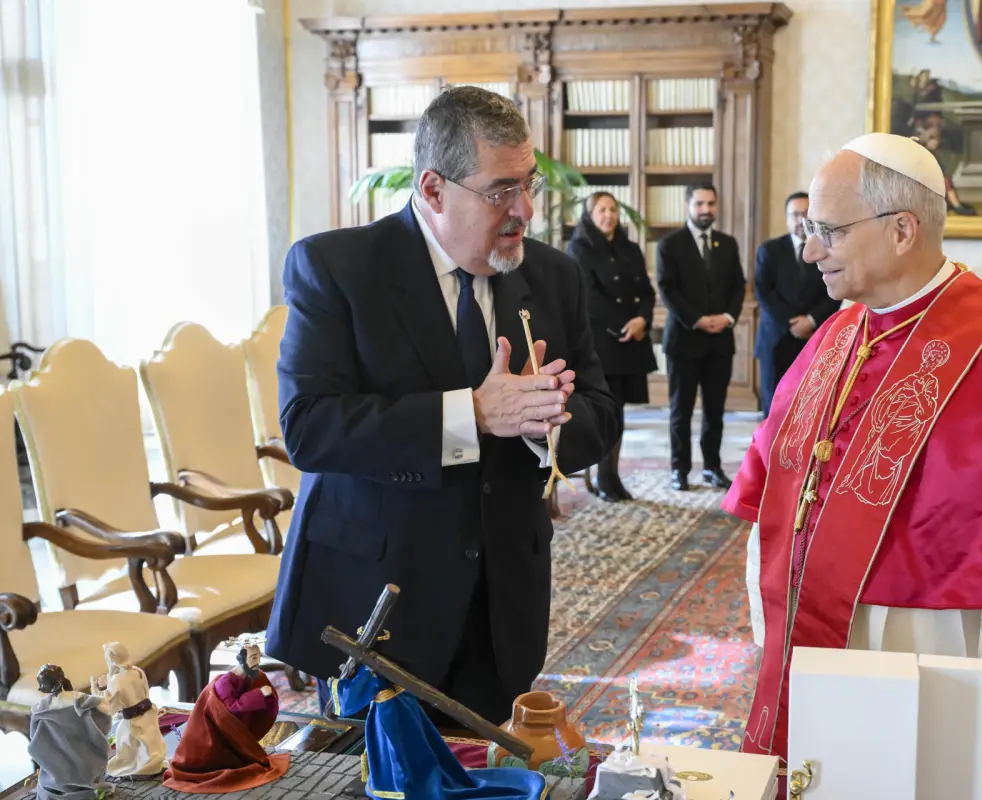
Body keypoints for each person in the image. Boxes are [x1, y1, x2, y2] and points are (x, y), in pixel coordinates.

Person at [722, 132, 982, 762]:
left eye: (829, 231)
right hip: (816, 643)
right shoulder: (835, 335)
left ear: (901, 230)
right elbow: (777, 487)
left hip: (928, 653)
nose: (810, 252)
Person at [266, 86, 618, 726]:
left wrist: (547, 422)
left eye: (529, 184)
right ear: (432, 190)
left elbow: (600, 415)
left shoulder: (554, 276)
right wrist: (473, 416)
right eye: (501, 191)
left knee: (486, 779)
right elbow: (309, 428)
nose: (526, 210)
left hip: (502, 601)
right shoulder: (337, 268)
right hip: (376, 607)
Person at [331, 667, 545, 799]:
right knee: (411, 748)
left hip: (390, 715)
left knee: (397, 753)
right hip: (399, 708)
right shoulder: (383, 666)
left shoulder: (371, 672)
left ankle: (404, 789)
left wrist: (339, 686)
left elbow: (348, 702)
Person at [566, 191, 657, 502]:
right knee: (605, 411)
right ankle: (605, 478)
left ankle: (613, 475)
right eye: (602, 210)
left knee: (619, 412)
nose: (609, 215)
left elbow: (646, 290)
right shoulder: (579, 247)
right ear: (590, 215)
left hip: (632, 340)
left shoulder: (630, 248)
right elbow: (590, 298)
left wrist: (642, 320)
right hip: (603, 342)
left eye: (613, 209)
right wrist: (625, 325)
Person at [656, 183, 745, 491]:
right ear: (688, 206)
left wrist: (728, 318)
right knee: (680, 411)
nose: (706, 210)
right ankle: (679, 469)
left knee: (715, 411)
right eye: (700, 204)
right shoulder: (669, 245)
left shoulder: (728, 244)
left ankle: (712, 467)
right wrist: (696, 320)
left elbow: (738, 286)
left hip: (720, 341)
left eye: (711, 204)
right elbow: (667, 289)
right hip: (683, 341)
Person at [753, 191, 840, 417]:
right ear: (786, 218)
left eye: (806, 214)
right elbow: (763, 291)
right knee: (774, 408)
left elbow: (835, 291)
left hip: (814, 338)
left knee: (811, 409)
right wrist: (792, 323)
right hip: (776, 339)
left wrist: (810, 320)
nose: (801, 220)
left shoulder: (827, 249)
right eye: (795, 214)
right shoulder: (769, 250)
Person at [163, 642, 289, 792]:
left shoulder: (250, 676)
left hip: (229, 730)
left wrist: (267, 697)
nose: (258, 662)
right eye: (253, 658)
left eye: (259, 657)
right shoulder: (225, 682)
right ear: (242, 660)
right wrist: (259, 694)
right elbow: (229, 709)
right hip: (211, 735)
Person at [27, 664, 112, 800]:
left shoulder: (42, 707)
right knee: (66, 768)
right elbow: (103, 707)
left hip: (78, 747)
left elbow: (33, 732)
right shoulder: (75, 699)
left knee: (73, 768)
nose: (40, 688)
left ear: (57, 683)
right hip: (60, 750)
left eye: (43, 684)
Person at [91, 641, 168, 778]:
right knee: (149, 741)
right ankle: (151, 764)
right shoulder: (137, 672)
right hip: (148, 713)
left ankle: (141, 767)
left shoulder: (117, 681)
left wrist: (99, 690)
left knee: (126, 740)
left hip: (133, 720)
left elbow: (108, 707)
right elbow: (145, 691)